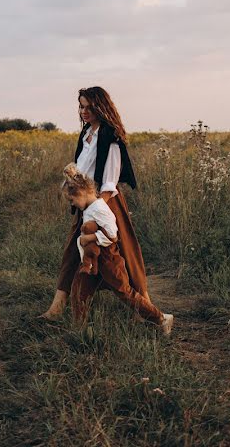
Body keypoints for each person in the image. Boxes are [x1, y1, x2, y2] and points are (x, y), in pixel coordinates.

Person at [38, 86, 173, 335]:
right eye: (81, 106)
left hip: (105, 204)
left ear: (101, 107)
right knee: (74, 252)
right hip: (87, 202)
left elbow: (110, 182)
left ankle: (148, 310)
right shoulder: (86, 134)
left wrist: (96, 208)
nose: (84, 111)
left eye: (89, 107)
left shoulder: (111, 138)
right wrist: (73, 181)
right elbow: (84, 172)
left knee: (125, 257)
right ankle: (59, 307)